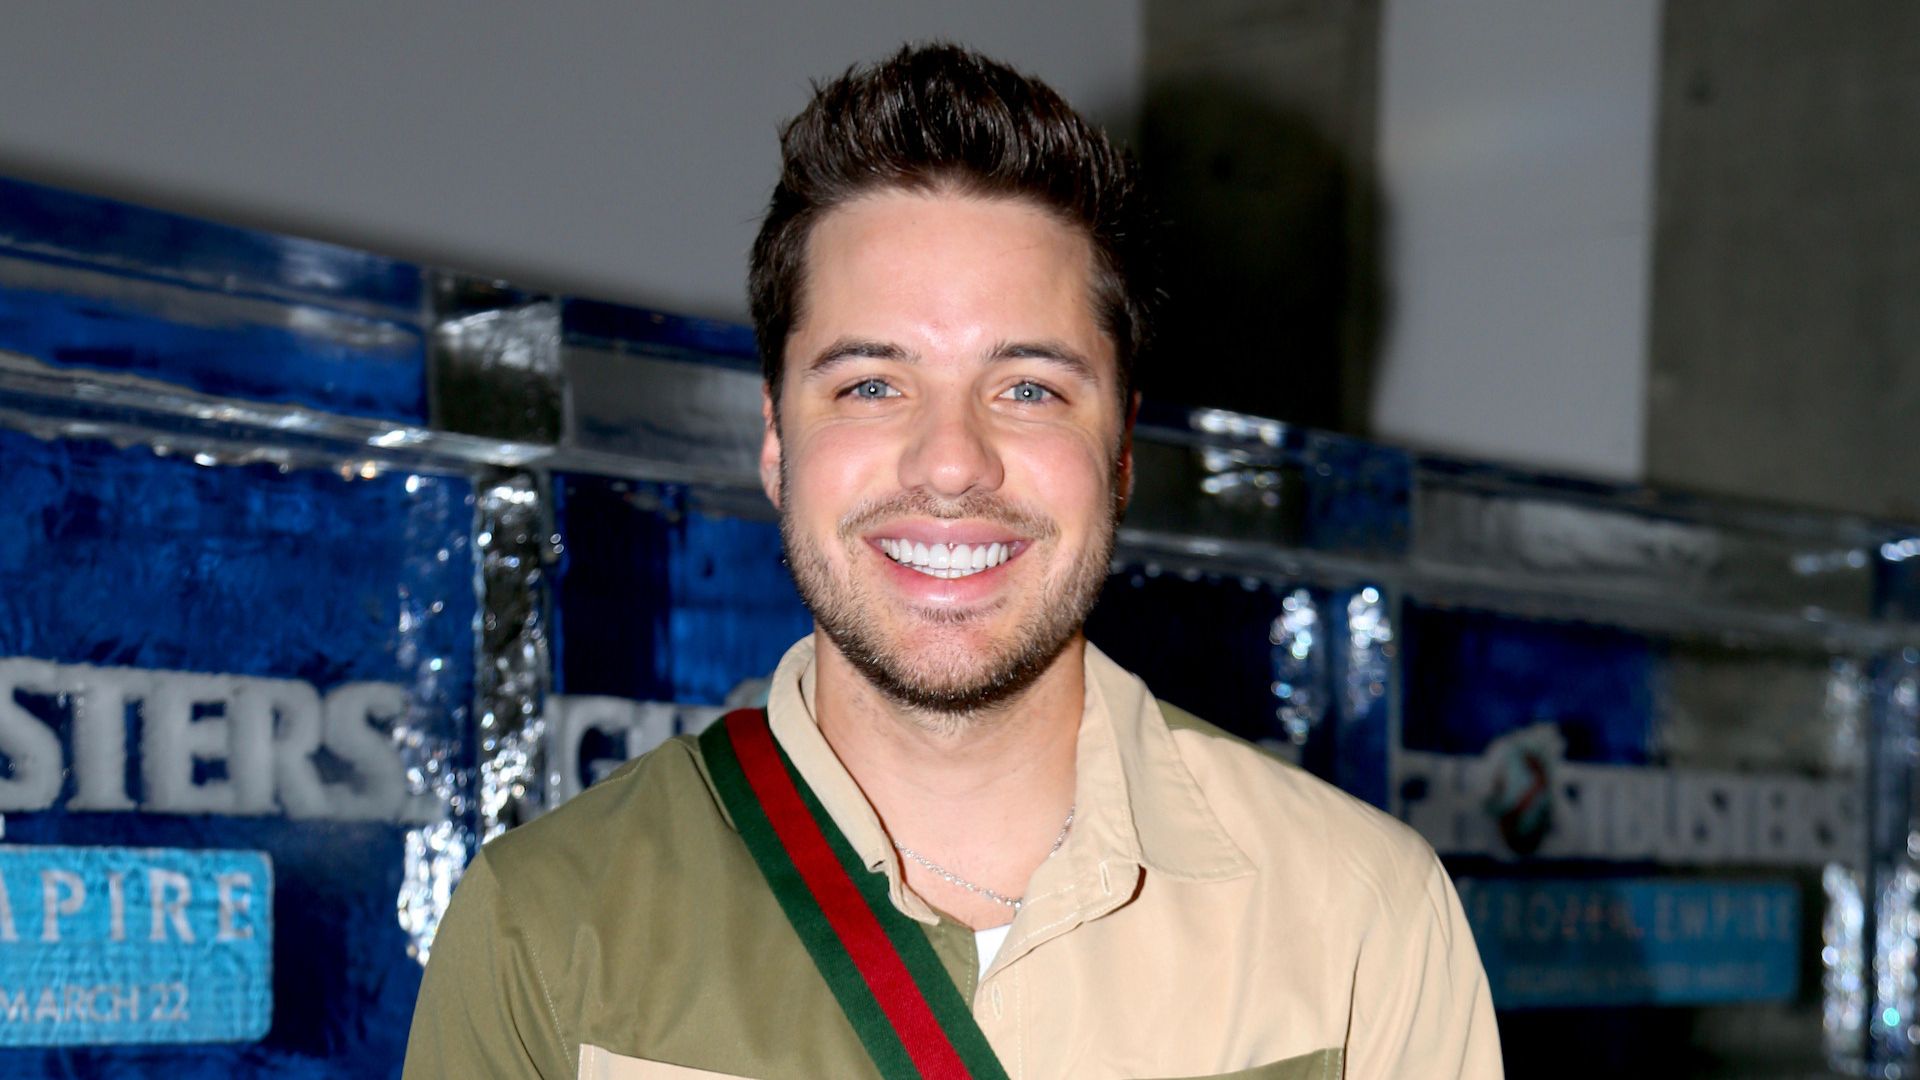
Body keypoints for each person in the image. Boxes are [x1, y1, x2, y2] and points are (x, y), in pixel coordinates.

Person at [404, 43, 1502, 1080]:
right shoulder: (546, 930)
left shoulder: (1362, 922)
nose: (950, 463)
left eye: (1028, 387)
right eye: (871, 384)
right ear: (777, 441)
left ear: (1119, 453)